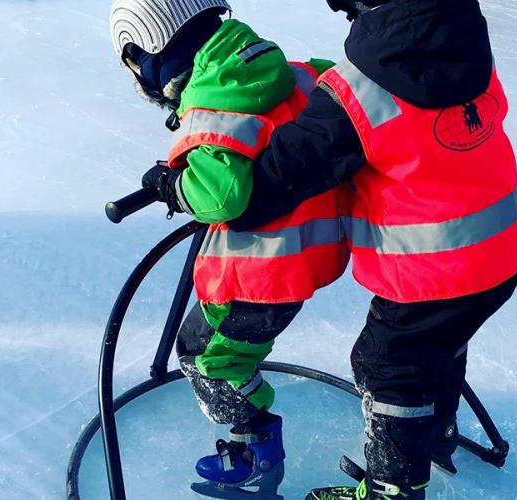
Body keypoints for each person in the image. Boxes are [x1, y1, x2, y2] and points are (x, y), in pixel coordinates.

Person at [226, 0, 517, 498]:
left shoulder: (356, 93)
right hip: (502, 248)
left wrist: (194, 190)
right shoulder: (464, 42)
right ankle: (435, 432)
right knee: (438, 342)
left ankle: (395, 488)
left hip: (433, 271)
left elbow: (278, 179)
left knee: (388, 366)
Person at [108, 1, 349, 497]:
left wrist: (177, 187)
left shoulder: (211, 103)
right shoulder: (290, 73)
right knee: (230, 348)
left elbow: (220, 195)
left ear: (151, 55)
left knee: (206, 359)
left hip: (259, 275)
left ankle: (255, 454)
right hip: (313, 253)